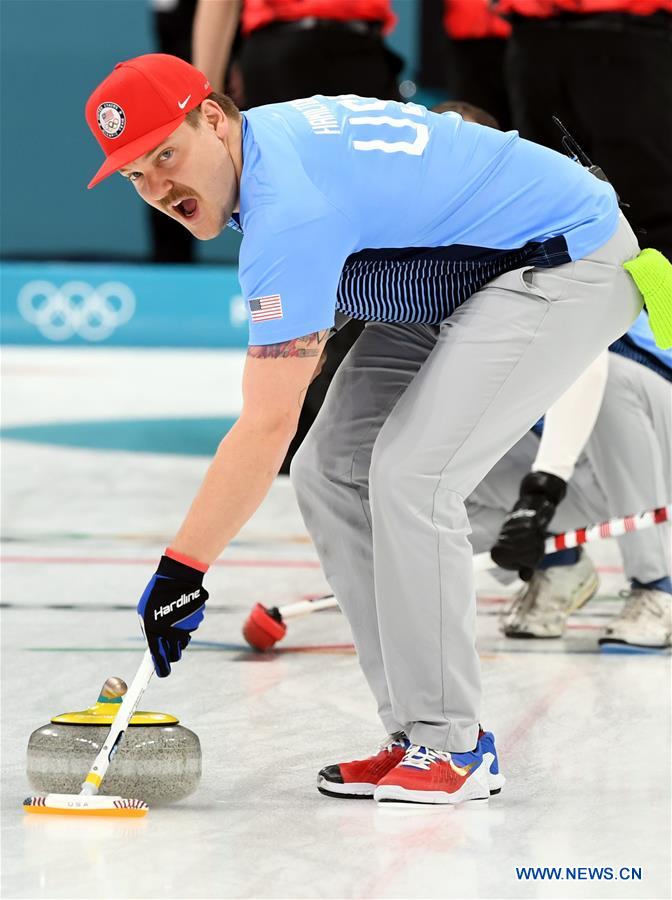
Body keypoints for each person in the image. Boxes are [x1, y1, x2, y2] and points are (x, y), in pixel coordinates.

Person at [85, 53, 650, 805]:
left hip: (564, 261)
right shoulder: (271, 157)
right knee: (331, 469)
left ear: (214, 120)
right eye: (136, 175)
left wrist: (184, 571)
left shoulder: (289, 209)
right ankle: (417, 733)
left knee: (415, 477)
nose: (160, 189)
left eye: (167, 155)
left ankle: (453, 746)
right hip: (465, 277)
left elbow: (265, 425)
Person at [192, 0, 403, 473]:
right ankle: (295, 417)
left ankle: (340, 415)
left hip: (360, 48)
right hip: (288, 52)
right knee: (289, 230)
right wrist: (202, 100)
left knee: (368, 238)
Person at [473, 316, 672, 649]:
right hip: (592, 469)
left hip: (656, 431)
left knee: (603, 372)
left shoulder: (574, 271)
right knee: (431, 464)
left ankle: (656, 584)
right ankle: (557, 564)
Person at [496, 0, 672, 262]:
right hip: (531, 34)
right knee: (542, 192)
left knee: (644, 193)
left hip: (628, 32)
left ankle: (656, 297)